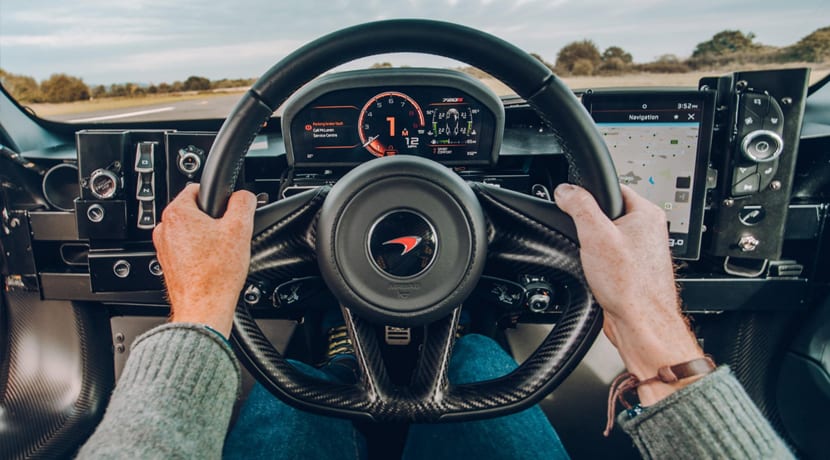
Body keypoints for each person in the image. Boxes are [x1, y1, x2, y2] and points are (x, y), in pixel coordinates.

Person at [76, 183, 793, 459]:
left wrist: (203, 303)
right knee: (483, 361)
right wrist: (643, 312)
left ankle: (337, 347)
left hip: (291, 356)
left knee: (287, 381)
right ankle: (466, 333)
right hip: (480, 349)